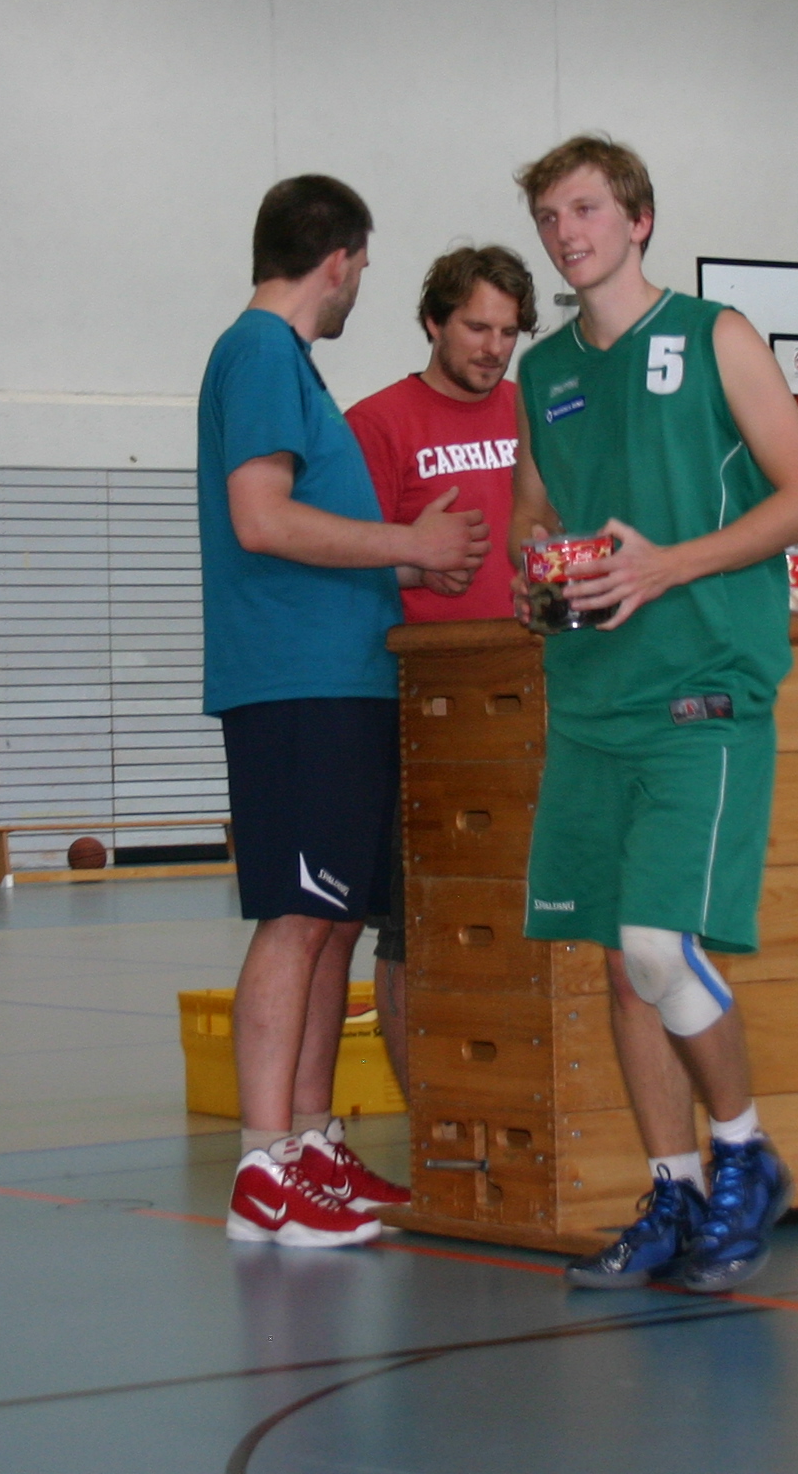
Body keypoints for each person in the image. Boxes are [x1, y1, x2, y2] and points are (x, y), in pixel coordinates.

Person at [506, 135, 798, 1294]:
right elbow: (532, 509)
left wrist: (667, 564)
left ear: (639, 217)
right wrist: (535, 566)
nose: (567, 231)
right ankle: (674, 1188)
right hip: (592, 693)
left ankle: (746, 1150)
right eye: (550, 216)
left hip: (705, 683)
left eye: (586, 207)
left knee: (658, 944)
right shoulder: (545, 370)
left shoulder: (714, 335)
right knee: (621, 963)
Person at [198, 175, 489, 1247]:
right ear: (340, 259)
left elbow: (296, 523)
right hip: (295, 681)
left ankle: (310, 1140)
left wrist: (407, 561)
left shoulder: (288, 362)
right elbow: (261, 517)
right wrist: (409, 540)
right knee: (296, 915)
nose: (359, 282)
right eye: (361, 266)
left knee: (330, 923)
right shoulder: (259, 353)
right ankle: (262, 1164)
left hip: (342, 675)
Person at [345, 243, 540, 1095]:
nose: (494, 348)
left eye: (508, 332)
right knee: (412, 925)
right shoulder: (377, 424)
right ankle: (431, 1122)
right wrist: (414, 564)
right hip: (422, 706)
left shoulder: (535, 413)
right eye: (476, 328)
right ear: (433, 321)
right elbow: (335, 562)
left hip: (529, 694)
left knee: (518, 914)